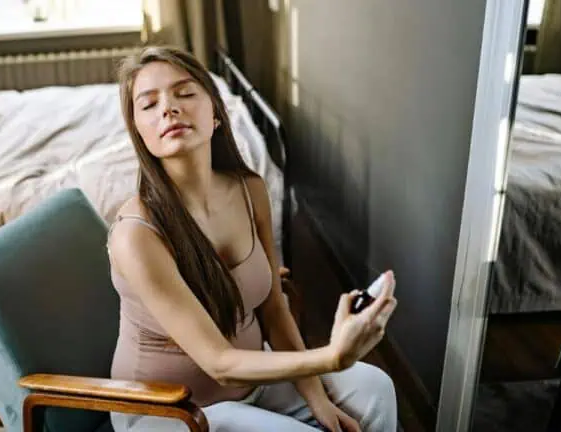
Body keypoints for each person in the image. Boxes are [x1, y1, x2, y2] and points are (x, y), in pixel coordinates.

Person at [106, 46, 398, 432]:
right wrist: (332, 357)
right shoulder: (136, 235)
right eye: (149, 104)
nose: (169, 109)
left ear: (215, 114)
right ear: (139, 134)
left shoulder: (249, 190)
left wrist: (317, 397)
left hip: (250, 385)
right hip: (170, 412)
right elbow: (219, 363)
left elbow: (274, 308)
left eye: (185, 93)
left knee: (375, 389)